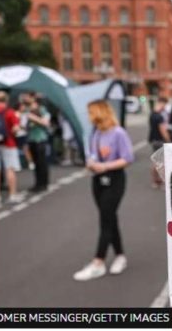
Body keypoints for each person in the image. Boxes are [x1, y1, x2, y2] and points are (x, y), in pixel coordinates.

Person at [73, 100, 134, 281]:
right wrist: (91, 163)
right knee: (110, 218)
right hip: (98, 180)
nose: (88, 116)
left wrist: (105, 166)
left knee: (105, 219)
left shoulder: (118, 133)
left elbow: (127, 158)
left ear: (100, 112)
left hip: (115, 179)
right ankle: (120, 256)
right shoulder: (96, 133)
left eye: (90, 112)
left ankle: (98, 262)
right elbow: (92, 154)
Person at [0, 91, 22, 204]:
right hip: (9, 143)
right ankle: (12, 195)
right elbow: (16, 128)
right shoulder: (9, 112)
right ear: (6, 100)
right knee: (10, 169)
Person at [24, 93, 51, 193]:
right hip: (31, 139)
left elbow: (46, 123)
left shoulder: (42, 109)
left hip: (40, 139)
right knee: (35, 163)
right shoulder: (27, 110)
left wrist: (33, 118)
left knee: (42, 163)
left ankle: (44, 183)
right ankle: (37, 183)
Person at [149, 97, 171, 188]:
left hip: (153, 139)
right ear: (161, 103)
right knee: (161, 162)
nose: (165, 107)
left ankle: (155, 181)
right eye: (164, 105)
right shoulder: (159, 116)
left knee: (155, 161)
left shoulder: (152, 114)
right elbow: (163, 131)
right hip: (160, 140)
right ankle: (160, 181)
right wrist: (169, 141)